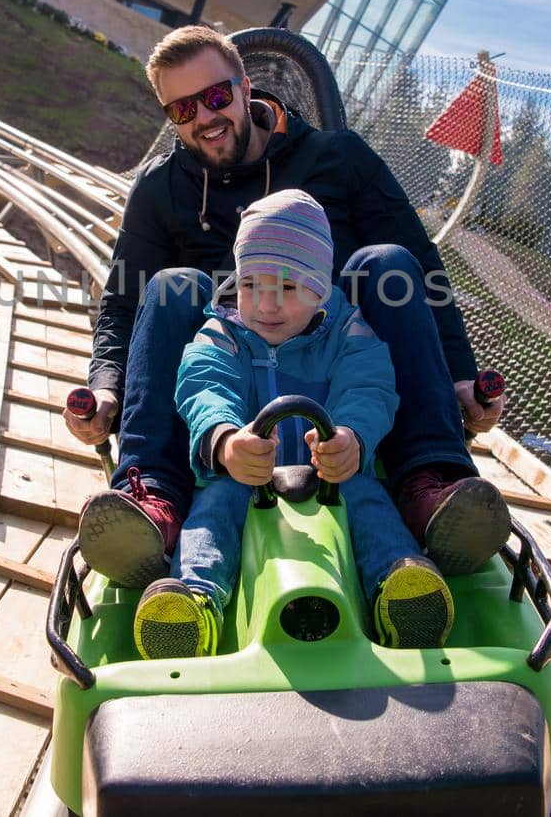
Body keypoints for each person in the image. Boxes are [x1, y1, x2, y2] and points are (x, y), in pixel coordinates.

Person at [65, 25, 510, 588]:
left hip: (338, 369)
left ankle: (430, 481)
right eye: (181, 109)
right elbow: (122, 300)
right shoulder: (162, 187)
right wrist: (105, 384)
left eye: (216, 96)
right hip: (221, 380)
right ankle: (153, 494)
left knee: (390, 263)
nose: (204, 117)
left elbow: (426, 272)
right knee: (170, 284)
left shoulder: (337, 158)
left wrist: (462, 377)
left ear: (245, 86)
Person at [133, 190, 453, 659]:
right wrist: (225, 442)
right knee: (213, 512)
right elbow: (203, 383)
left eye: (285, 288)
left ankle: (398, 585)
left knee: (367, 502)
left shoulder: (347, 332)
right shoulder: (223, 330)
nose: (264, 304)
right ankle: (193, 600)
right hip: (247, 476)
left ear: (320, 287)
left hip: (329, 474)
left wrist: (351, 438)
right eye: (251, 285)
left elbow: (370, 387)